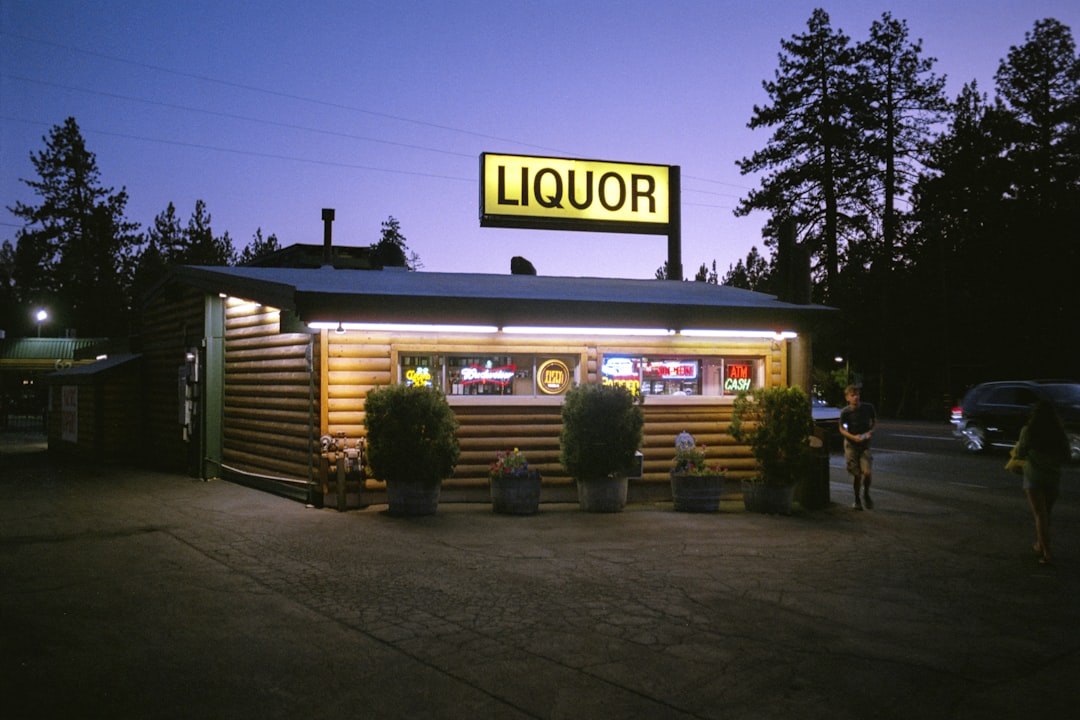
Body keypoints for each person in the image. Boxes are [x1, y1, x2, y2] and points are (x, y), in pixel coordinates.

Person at [1012, 401, 1070, 565]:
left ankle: (1047, 553)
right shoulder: (1058, 432)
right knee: (1046, 514)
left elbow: (1021, 452)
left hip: (1034, 478)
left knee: (1039, 515)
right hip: (1053, 477)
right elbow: (1067, 455)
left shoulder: (1028, 430)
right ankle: (1040, 544)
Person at [839, 384, 876, 510]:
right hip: (851, 445)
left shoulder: (868, 408)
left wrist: (871, 431)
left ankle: (866, 493)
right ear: (847, 398)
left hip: (864, 444)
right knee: (857, 474)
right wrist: (852, 436)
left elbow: (874, 421)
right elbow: (842, 429)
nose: (856, 398)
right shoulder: (846, 412)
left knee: (867, 472)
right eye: (853, 395)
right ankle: (857, 498)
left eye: (858, 395)